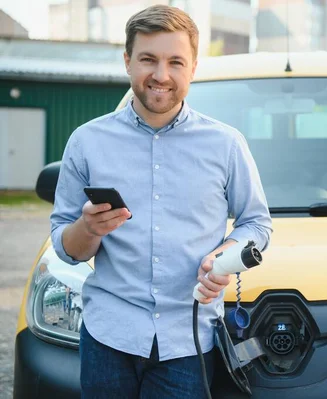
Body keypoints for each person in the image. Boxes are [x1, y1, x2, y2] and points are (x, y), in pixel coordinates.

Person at [50, 5, 272, 398]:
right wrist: (87, 229)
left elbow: (256, 223)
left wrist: (227, 254)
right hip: (107, 338)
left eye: (175, 62)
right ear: (127, 61)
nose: (161, 75)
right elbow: (66, 250)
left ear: (193, 67)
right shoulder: (86, 142)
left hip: (188, 342)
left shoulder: (226, 145)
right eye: (148, 59)